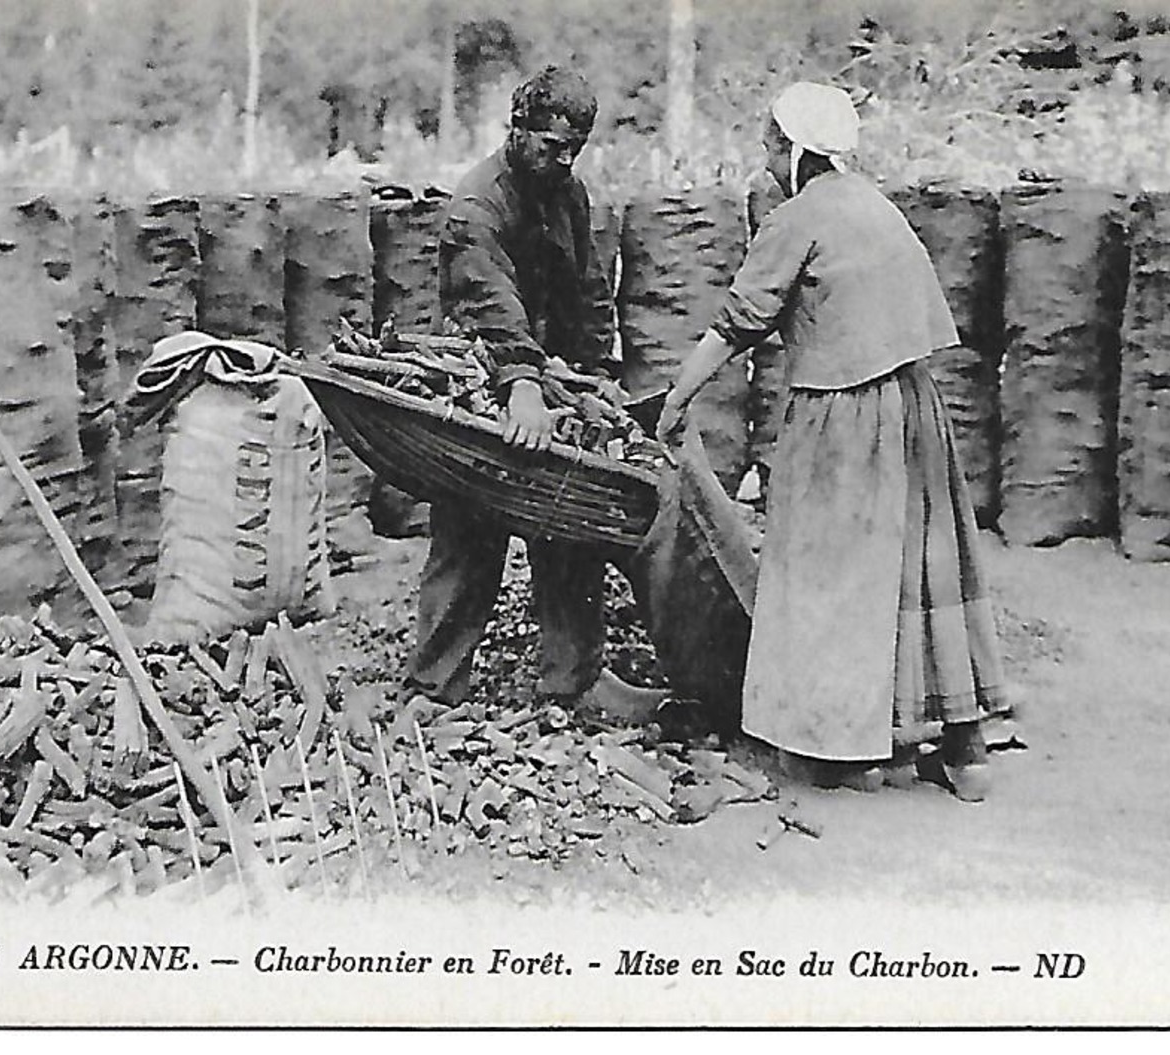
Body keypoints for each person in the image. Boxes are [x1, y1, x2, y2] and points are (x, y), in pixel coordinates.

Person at [657, 82, 1010, 801]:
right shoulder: (875, 207)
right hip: (915, 407)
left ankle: (839, 751)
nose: (762, 157)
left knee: (826, 572)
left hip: (843, 413)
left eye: (767, 145)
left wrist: (675, 398)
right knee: (920, 564)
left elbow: (736, 324)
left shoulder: (798, 217)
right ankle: (962, 744)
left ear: (792, 152)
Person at [405, 66, 667, 722]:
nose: (562, 158)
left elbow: (587, 288)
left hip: (553, 381)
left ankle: (573, 682)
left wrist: (596, 376)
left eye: (573, 147)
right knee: (469, 531)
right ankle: (432, 687)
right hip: (482, 377)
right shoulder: (478, 206)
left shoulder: (567, 194)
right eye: (550, 145)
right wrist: (519, 384)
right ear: (516, 129)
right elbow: (485, 301)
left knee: (570, 523)